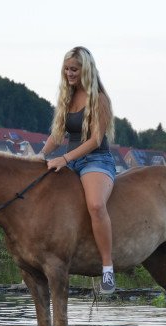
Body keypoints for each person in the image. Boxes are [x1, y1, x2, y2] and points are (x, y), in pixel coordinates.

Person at [39, 46, 117, 294]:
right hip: (70, 159)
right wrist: (39, 156)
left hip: (96, 160)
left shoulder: (100, 99)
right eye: (66, 69)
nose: (69, 73)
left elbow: (95, 140)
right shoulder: (67, 97)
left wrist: (64, 158)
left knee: (95, 205)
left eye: (74, 69)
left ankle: (107, 269)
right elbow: (57, 135)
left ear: (86, 70)